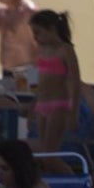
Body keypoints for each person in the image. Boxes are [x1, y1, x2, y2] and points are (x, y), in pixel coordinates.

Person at [26, 10, 81, 154]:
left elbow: (76, 83)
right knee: (45, 153)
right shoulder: (41, 50)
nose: (35, 38)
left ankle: (78, 176)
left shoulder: (66, 51)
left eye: (38, 33)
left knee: (50, 154)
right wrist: (32, 108)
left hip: (58, 106)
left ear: (51, 29)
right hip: (41, 105)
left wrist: (73, 113)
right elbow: (38, 83)